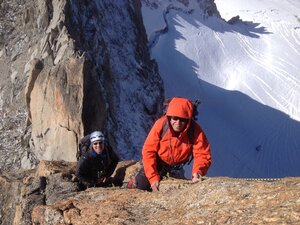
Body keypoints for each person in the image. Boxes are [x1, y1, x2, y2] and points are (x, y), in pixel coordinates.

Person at [128, 97, 211, 191]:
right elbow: (148, 151)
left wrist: (198, 171)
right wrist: (152, 177)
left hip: (177, 167)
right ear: (169, 117)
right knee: (142, 185)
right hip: (157, 162)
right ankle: (135, 181)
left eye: (182, 119)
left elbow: (202, 154)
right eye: (175, 118)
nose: (178, 123)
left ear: (188, 119)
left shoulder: (195, 130)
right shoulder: (161, 124)